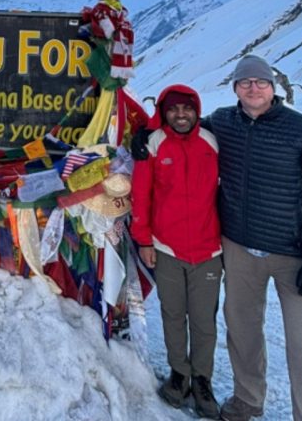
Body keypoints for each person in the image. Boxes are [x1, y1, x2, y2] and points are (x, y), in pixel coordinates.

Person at [132, 55, 302, 421]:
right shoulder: (224, 125)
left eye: (260, 82)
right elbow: (184, 126)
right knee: (242, 332)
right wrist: (148, 132)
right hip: (238, 250)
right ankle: (247, 400)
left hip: (296, 255)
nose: (253, 88)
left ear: (273, 87)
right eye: (245, 82)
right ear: (235, 88)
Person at [130, 85, 222, 419]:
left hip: (209, 248)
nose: (180, 115)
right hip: (166, 247)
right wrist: (143, 240)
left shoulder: (212, 142)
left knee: (203, 320)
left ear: (197, 111)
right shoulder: (153, 145)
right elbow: (141, 195)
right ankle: (178, 374)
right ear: (164, 112)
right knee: (172, 313)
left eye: (187, 109)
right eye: (173, 110)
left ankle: (202, 380)